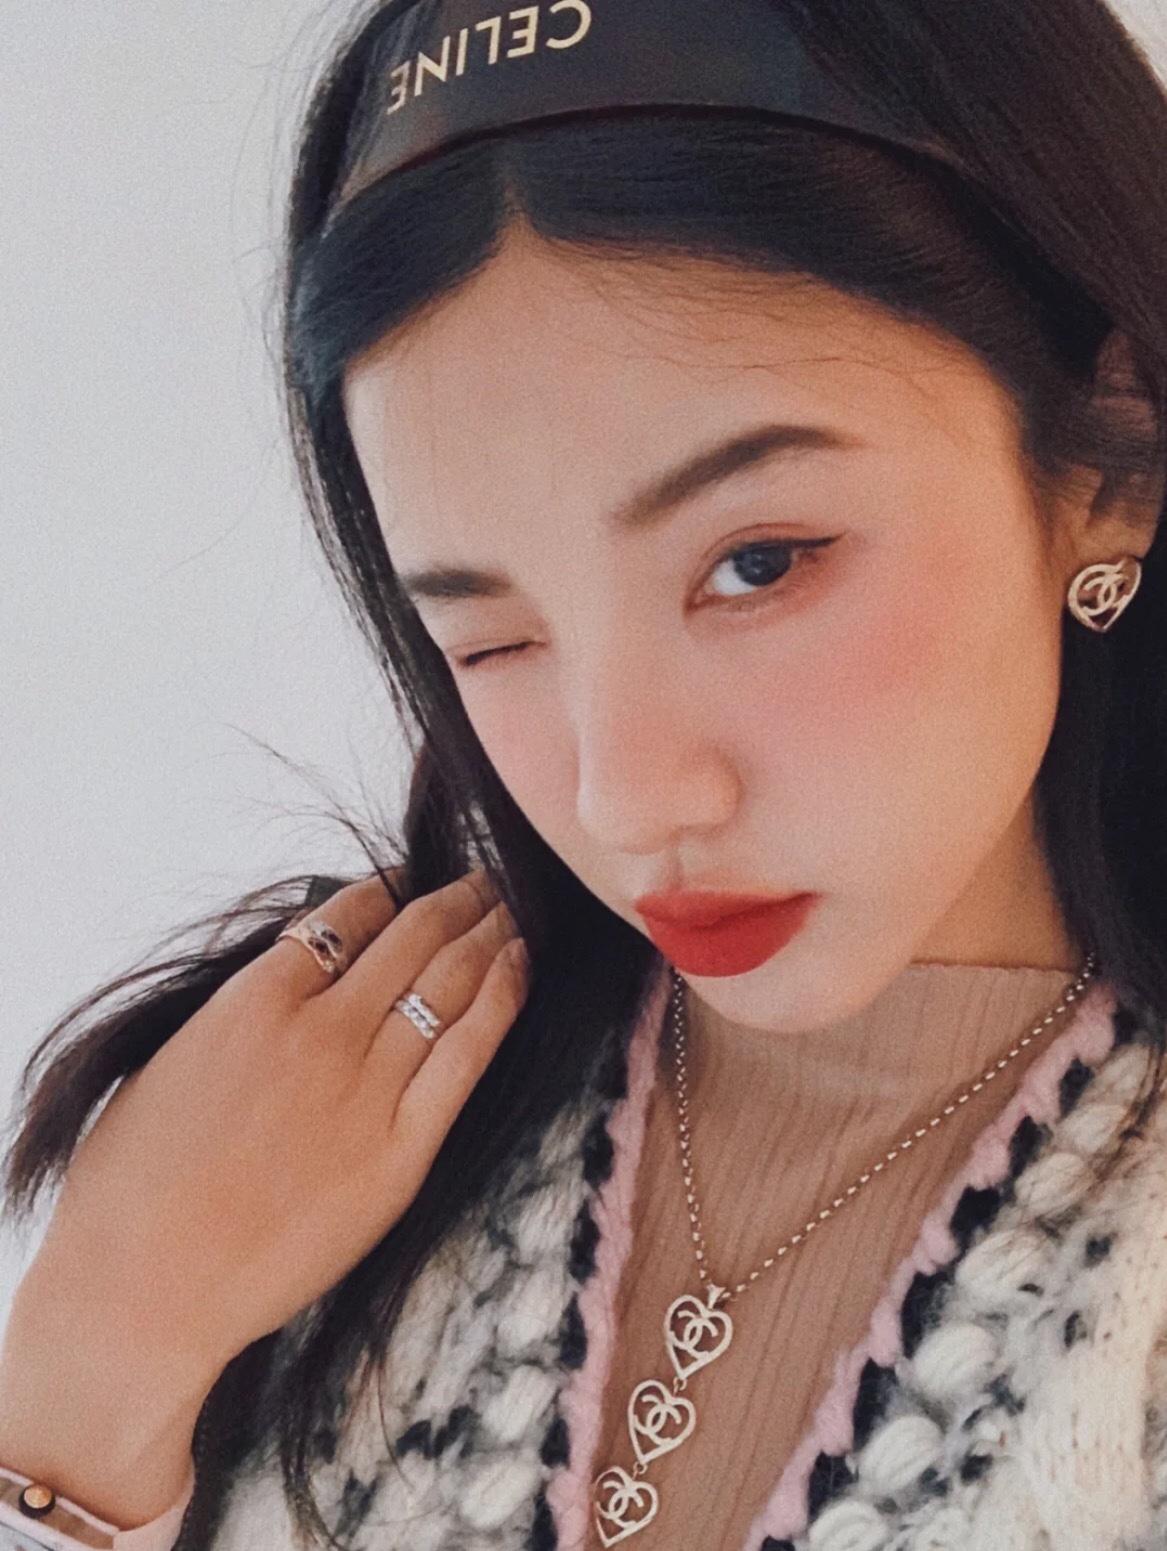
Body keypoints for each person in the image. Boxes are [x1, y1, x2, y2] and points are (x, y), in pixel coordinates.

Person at [3, 0, 1167, 1547]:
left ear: (1107, 467)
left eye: (759, 563)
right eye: (491, 639)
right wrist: (94, 1361)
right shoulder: (293, 1146)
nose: (626, 800)